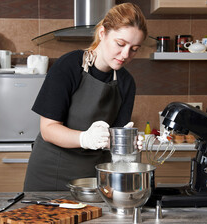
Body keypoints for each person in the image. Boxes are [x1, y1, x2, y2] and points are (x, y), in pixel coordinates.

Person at [24, 3, 147, 191]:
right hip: (50, 175)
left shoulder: (126, 82)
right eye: (120, 44)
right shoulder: (69, 65)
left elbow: (112, 141)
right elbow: (48, 129)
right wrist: (85, 138)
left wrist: (126, 142)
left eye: (134, 48)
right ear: (103, 33)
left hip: (94, 179)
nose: (126, 54)